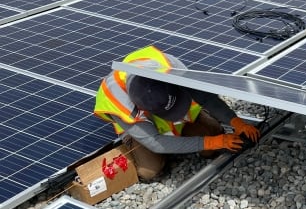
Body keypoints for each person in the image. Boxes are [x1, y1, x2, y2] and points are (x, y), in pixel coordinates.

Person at [94, 45, 261, 180]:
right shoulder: (116, 100)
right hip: (141, 129)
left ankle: (182, 139)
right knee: (150, 171)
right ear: (144, 109)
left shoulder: (167, 65)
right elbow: (155, 142)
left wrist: (235, 122)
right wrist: (212, 142)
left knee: (213, 133)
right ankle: (137, 148)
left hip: (173, 118)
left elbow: (204, 96)